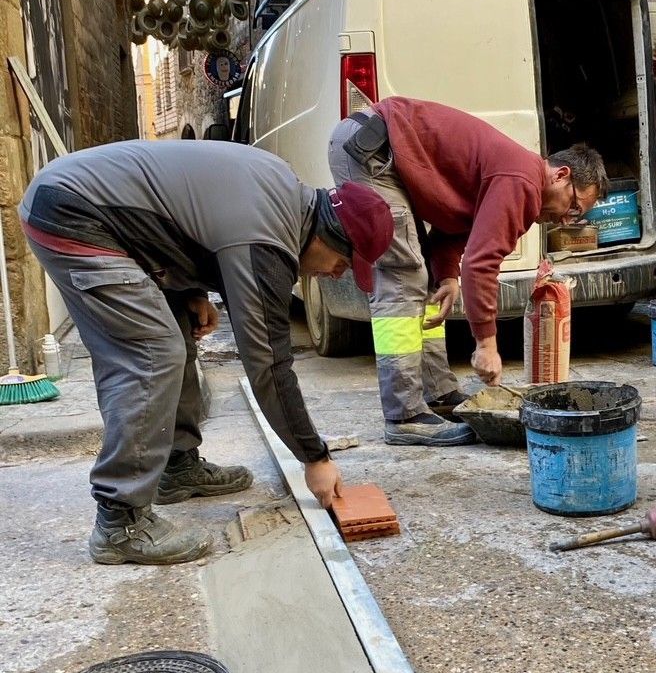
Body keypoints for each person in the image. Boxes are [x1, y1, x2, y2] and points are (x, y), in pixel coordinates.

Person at [18, 140, 394, 565]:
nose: (334, 274)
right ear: (326, 234)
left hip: (98, 212)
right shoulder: (265, 239)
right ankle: (119, 522)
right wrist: (314, 456)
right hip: (73, 215)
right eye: (343, 262)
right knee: (151, 352)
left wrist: (192, 290)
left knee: (173, 336)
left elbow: (180, 215)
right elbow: (268, 363)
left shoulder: (285, 194)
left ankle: (176, 466)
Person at [328, 96, 609, 447]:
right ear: (561, 174)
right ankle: (404, 416)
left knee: (426, 279)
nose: (568, 218)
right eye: (573, 205)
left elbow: (457, 222)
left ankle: (438, 394)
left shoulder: (518, 179)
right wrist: (486, 345)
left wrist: (446, 275)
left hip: (383, 151)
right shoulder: (521, 180)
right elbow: (480, 263)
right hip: (371, 150)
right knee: (403, 273)